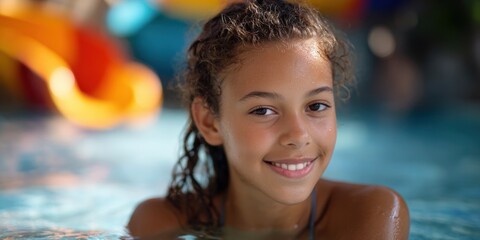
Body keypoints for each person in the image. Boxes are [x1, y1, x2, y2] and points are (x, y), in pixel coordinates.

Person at [127, 0, 410, 239]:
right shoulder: (161, 223)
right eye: (263, 110)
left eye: (316, 105)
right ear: (210, 122)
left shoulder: (370, 215)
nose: (298, 135)